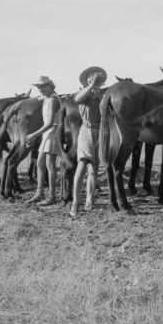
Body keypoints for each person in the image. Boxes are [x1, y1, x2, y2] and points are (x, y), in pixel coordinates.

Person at [69, 66, 107, 219]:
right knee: (82, 164)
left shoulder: (103, 93)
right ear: (88, 79)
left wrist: (99, 93)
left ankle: (89, 200)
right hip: (86, 131)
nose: (96, 78)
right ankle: (76, 202)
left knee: (94, 169)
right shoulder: (83, 92)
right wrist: (91, 87)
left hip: (100, 132)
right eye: (93, 76)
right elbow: (77, 99)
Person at [25, 76, 61, 206]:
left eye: (42, 87)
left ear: (50, 86)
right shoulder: (47, 97)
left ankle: (52, 196)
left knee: (50, 165)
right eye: (38, 87)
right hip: (47, 133)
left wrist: (34, 134)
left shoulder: (52, 100)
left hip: (53, 132)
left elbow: (50, 123)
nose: (40, 90)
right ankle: (39, 193)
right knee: (40, 163)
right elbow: (37, 98)